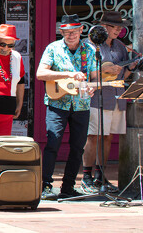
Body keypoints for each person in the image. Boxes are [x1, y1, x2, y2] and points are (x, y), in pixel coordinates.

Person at [36, 15, 99, 200]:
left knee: (78, 147)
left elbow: (95, 78)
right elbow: (41, 73)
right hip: (57, 103)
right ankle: (45, 185)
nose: (71, 35)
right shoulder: (53, 48)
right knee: (53, 143)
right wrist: (68, 74)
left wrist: (92, 87)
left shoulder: (90, 50)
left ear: (81, 31)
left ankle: (68, 187)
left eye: (74, 31)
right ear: (61, 32)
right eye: (66, 32)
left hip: (81, 104)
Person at [82, 11, 135, 192]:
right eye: (116, 27)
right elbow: (86, 73)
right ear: (104, 27)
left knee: (108, 137)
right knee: (94, 135)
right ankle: (86, 175)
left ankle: (100, 176)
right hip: (97, 96)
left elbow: (123, 75)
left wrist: (132, 66)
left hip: (117, 96)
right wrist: (103, 73)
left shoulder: (120, 46)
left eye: (121, 27)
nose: (119, 30)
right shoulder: (90, 45)